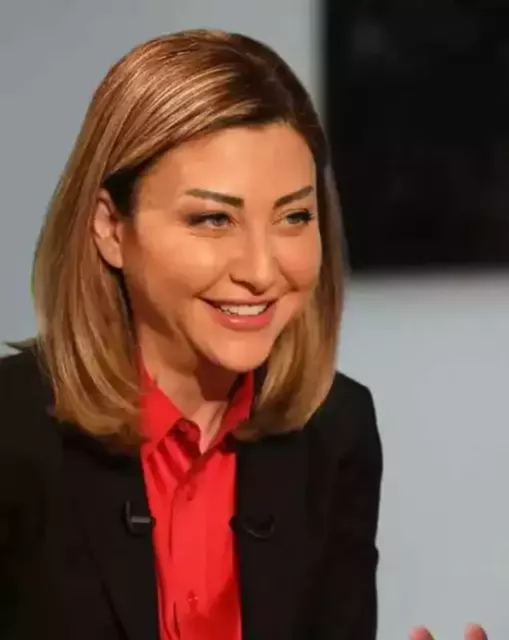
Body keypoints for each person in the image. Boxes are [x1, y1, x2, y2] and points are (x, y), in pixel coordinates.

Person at [0, 30, 382, 640]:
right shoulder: (12, 429)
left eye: (293, 217)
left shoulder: (337, 429)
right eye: (213, 219)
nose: (261, 270)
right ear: (110, 228)